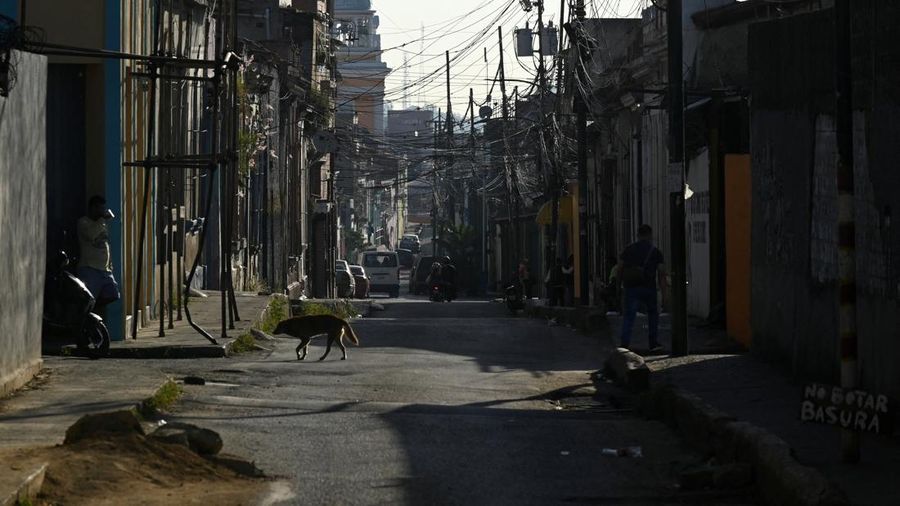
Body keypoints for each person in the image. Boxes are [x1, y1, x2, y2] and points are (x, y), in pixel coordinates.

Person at [617, 224, 667, 353]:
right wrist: (664, 293)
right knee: (652, 315)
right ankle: (653, 342)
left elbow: (620, 268)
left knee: (629, 316)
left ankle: (624, 343)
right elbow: (661, 273)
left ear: (638, 235)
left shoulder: (628, 249)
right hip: (649, 287)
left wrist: (618, 285)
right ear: (650, 235)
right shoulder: (655, 252)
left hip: (631, 287)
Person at [76, 195, 120, 308]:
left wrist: (110, 264)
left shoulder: (102, 223)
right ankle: (88, 313)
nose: (102, 211)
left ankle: (94, 308)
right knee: (89, 298)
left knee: (113, 294)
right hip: (90, 268)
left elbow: (106, 243)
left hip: (105, 269)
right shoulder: (84, 222)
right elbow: (92, 235)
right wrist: (102, 219)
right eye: (99, 208)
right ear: (92, 208)